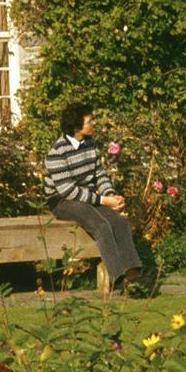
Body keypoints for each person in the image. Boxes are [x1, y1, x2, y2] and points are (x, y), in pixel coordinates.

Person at [43, 103, 145, 290]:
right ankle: (118, 278)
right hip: (62, 201)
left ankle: (133, 272)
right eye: (90, 121)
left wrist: (110, 194)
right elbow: (68, 191)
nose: (94, 123)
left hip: (88, 196)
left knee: (119, 221)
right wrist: (103, 201)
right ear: (76, 127)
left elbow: (99, 174)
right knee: (101, 225)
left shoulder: (89, 144)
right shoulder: (56, 152)